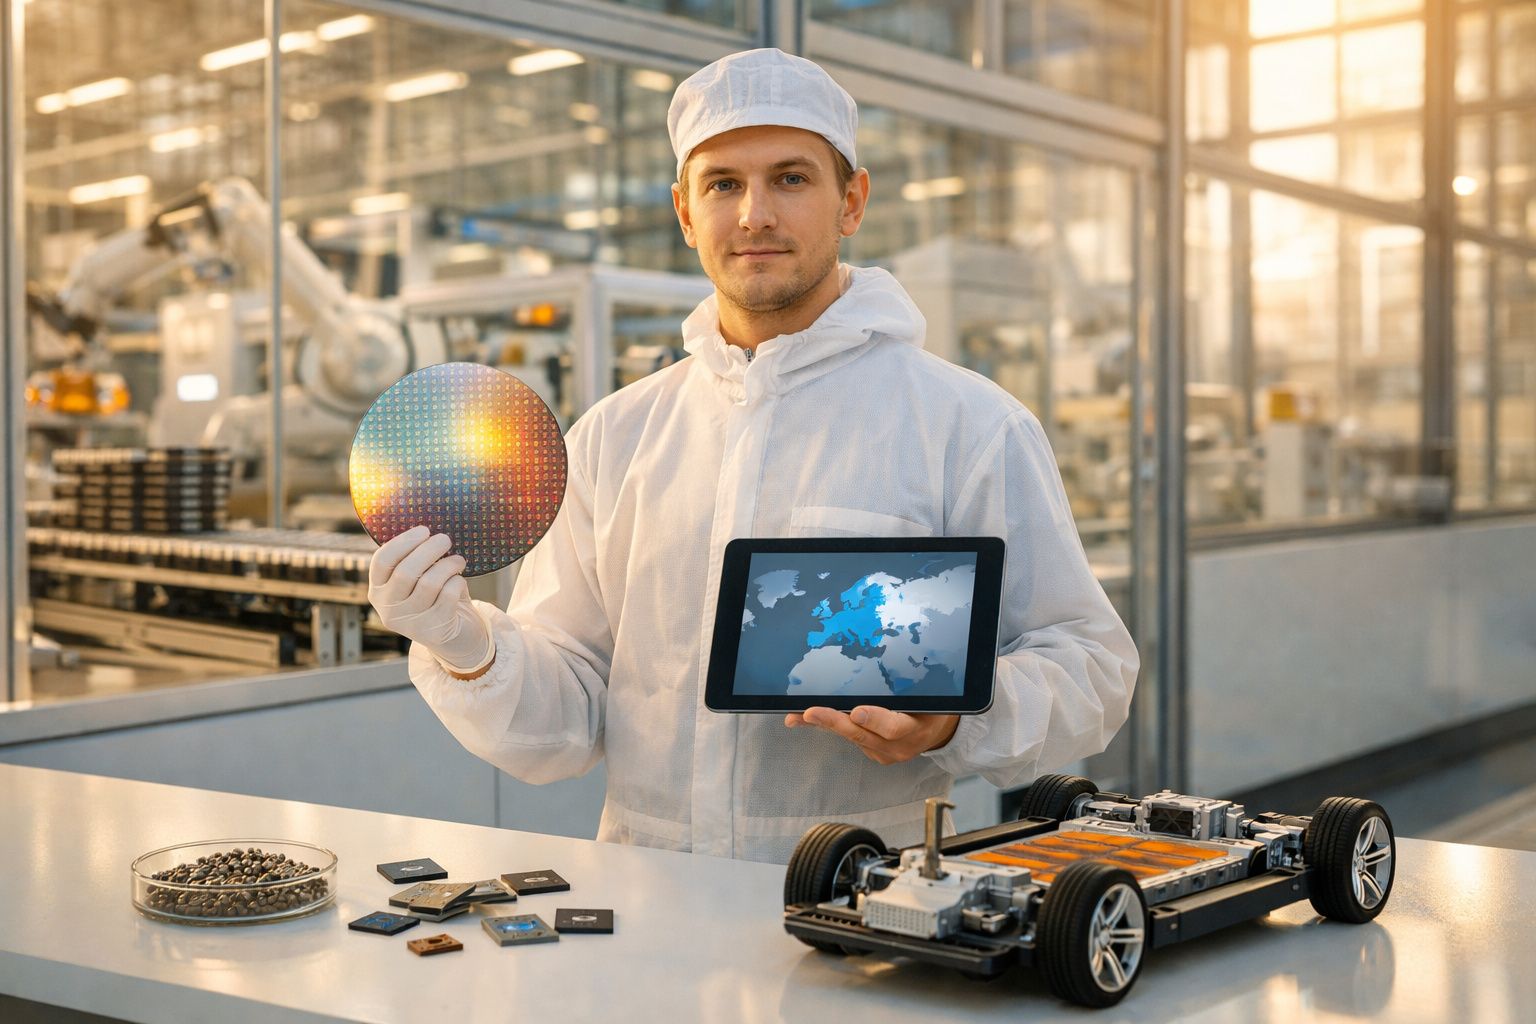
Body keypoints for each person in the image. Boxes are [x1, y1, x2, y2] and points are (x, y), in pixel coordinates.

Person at [368, 48, 1137, 864]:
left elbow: (1090, 668)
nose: (754, 215)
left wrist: (955, 717)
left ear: (853, 201)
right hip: (650, 901)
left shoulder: (967, 425)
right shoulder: (616, 436)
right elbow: (569, 717)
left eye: (792, 179)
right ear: (684, 211)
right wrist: (468, 646)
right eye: (724, 184)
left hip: (867, 907)